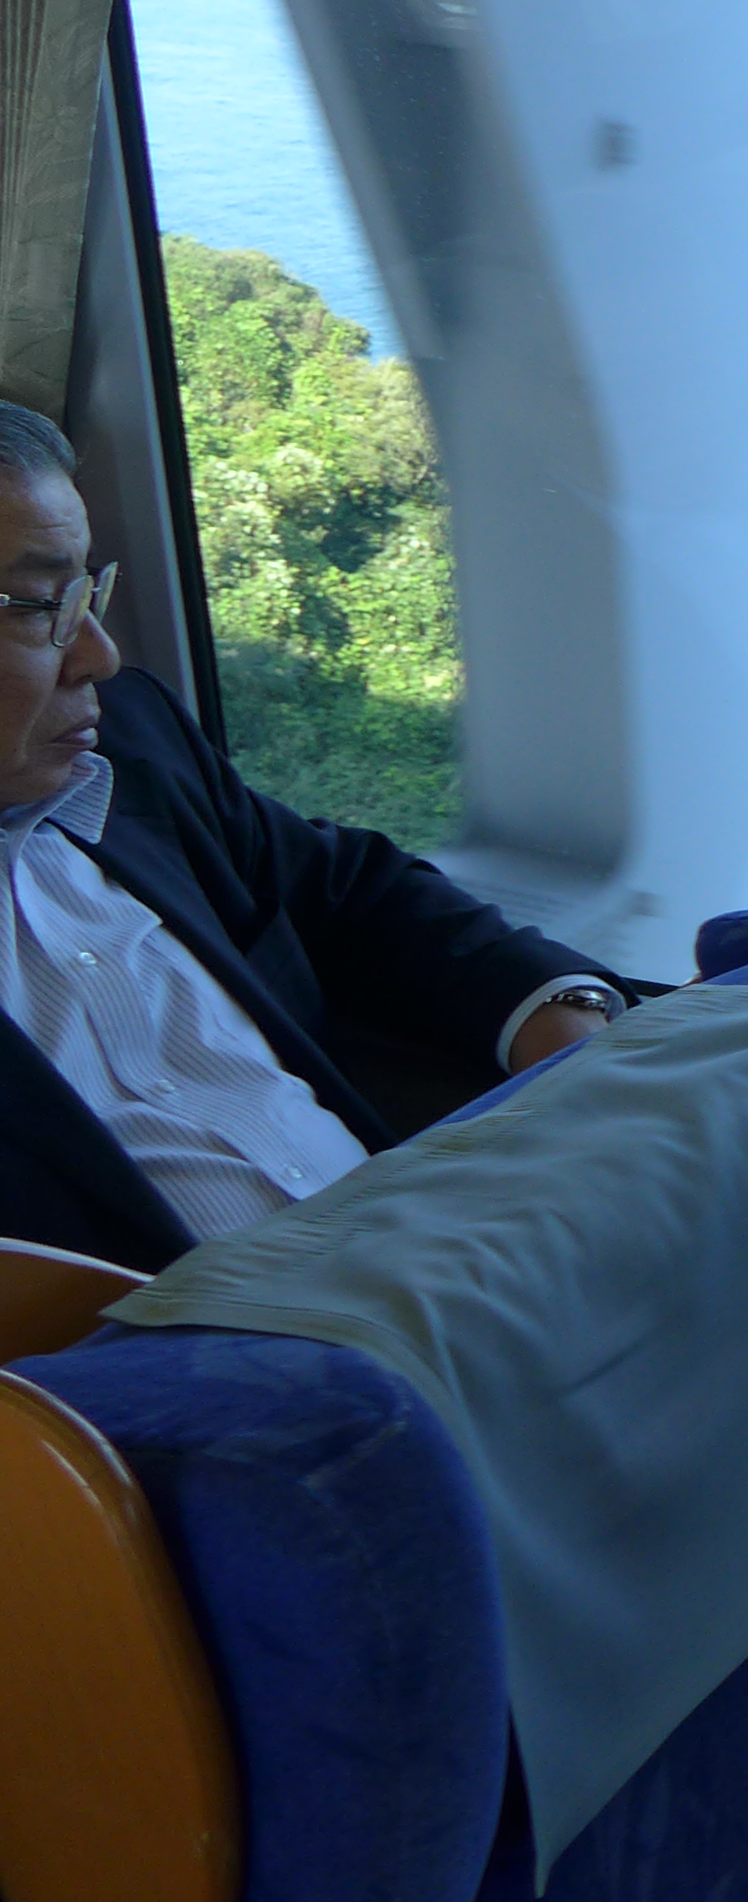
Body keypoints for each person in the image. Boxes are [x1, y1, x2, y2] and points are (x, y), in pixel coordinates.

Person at [0, 403, 624, 1273]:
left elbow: (347, 889)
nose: (98, 655)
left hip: (441, 1256)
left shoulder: (134, 743)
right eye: (43, 606)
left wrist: (557, 1020)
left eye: (86, 593)